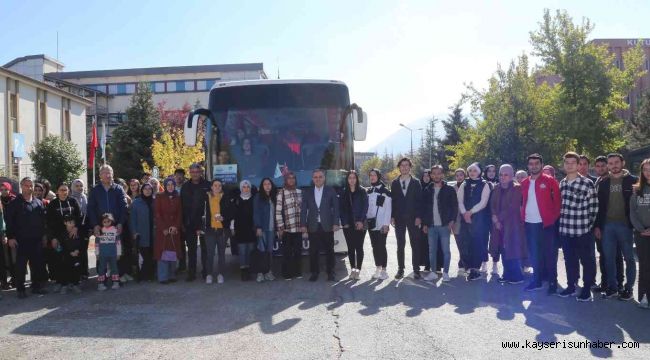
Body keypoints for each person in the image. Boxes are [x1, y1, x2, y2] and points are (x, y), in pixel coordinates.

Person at [593, 153, 638, 301]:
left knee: (629, 259)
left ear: (622, 163)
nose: (614, 165)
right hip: (607, 226)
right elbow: (599, 206)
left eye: (616, 162)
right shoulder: (604, 182)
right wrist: (598, 226)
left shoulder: (633, 181)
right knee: (609, 258)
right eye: (610, 163)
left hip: (626, 226)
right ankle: (613, 287)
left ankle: (628, 288)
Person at [557, 152, 598, 302]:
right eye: (566, 162)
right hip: (565, 230)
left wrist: (588, 226)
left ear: (578, 163)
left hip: (582, 230)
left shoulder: (587, 183)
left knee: (586, 261)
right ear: (564, 164)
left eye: (572, 162)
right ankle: (571, 285)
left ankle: (586, 288)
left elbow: (594, 208)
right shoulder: (561, 183)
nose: (569, 165)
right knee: (569, 260)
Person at [520, 154, 561, 294]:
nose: (534, 166)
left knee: (549, 255)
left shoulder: (550, 181)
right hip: (529, 224)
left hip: (546, 225)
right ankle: (536, 281)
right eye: (531, 163)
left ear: (541, 165)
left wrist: (551, 219)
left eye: (536, 163)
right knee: (534, 255)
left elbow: (557, 204)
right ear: (528, 166)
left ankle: (552, 282)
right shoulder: (524, 183)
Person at [5, 177, 48, 298]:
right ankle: (20, 289)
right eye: (26, 185)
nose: (29, 188)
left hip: (36, 240)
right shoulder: (14, 203)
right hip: (20, 241)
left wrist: (44, 236)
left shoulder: (38, 202)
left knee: (37, 264)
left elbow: (43, 221)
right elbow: (9, 222)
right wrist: (11, 237)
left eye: (30, 185)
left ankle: (36, 286)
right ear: (21, 186)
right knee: (20, 266)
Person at [489, 165, 527, 284]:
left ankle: (517, 276)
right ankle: (506, 274)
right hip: (498, 226)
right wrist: (495, 218)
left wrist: (498, 219)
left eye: (506, 174)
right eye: (501, 174)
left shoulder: (517, 188)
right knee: (502, 249)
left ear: (511, 176)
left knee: (512, 250)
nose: (503, 177)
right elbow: (492, 205)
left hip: (512, 225)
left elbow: (512, 207)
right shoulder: (496, 188)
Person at [592, 155, 625, 294]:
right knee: (603, 255)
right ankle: (605, 282)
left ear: (608, 167)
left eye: (603, 166)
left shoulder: (613, 180)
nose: (601, 168)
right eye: (598, 166)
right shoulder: (598, 181)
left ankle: (619, 283)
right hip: (601, 225)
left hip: (613, 224)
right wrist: (597, 226)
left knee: (616, 255)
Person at [301, 168, 340, 282]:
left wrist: (336, 223)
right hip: (313, 225)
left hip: (327, 225)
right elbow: (304, 210)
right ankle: (314, 272)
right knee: (313, 251)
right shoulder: (308, 192)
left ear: (324, 178)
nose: (318, 179)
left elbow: (336, 208)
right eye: (315, 177)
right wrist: (303, 224)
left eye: (320, 177)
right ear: (313, 179)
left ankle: (330, 272)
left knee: (329, 250)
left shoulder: (330, 190)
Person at [422, 165, 458, 282]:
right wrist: (425, 224)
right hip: (431, 226)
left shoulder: (450, 190)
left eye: (439, 173)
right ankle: (433, 272)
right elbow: (425, 209)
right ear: (431, 175)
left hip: (444, 226)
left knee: (446, 250)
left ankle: (446, 273)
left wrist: (452, 221)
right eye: (434, 173)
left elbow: (454, 207)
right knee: (432, 250)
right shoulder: (427, 190)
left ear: (442, 175)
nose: (436, 175)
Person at [390, 158, 423, 280]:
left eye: (407, 165)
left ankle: (416, 270)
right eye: (402, 165)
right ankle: (400, 269)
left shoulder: (416, 182)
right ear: (399, 167)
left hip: (413, 218)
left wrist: (419, 217)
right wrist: (392, 216)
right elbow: (393, 201)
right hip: (399, 218)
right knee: (400, 245)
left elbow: (420, 201)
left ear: (410, 167)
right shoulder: (394, 183)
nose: (404, 167)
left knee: (415, 244)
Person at [458, 163, 491, 281]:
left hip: (478, 218)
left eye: (475, 170)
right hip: (465, 218)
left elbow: (484, 202)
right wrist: (464, 213)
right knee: (465, 243)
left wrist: (470, 212)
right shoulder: (464, 184)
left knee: (477, 243)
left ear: (479, 172)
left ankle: (475, 270)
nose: (472, 172)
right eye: (470, 170)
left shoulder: (484, 184)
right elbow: (460, 201)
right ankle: (468, 267)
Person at [46, 183, 81, 293]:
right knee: (60, 260)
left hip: (72, 236)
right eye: (61, 190)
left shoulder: (73, 201)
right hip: (59, 237)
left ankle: (73, 283)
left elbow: (79, 217)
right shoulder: (53, 204)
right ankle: (61, 283)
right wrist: (53, 237)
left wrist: (76, 227)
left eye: (66, 190)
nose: (64, 192)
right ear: (57, 191)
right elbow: (49, 223)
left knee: (73, 260)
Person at [180, 163, 210, 281]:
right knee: (191, 249)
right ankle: (191, 273)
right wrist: (182, 222)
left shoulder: (207, 185)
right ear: (190, 173)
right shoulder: (185, 186)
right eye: (192, 172)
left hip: (204, 222)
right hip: (189, 222)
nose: (195, 174)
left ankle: (206, 271)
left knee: (205, 249)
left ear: (201, 172)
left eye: (197, 172)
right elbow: (181, 205)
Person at [87, 164, 128, 248]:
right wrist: (95, 225)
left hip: (116, 227)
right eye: (104, 173)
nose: (107, 175)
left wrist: (120, 223)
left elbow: (124, 207)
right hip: (100, 227)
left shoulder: (119, 189)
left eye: (109, 172)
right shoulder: (95, 190)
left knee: (116, 254)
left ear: (112, 174)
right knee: (102, 254)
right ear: (100, 175)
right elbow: (91, 208)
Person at [339, 171, 369, 280]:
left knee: (359, 247)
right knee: (350, 248)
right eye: (350, 178)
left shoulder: (362, 191)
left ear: (357, 179)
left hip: (359, 224)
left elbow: (365, 207)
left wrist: (360, 221)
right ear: (347, 180)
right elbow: (341, 209)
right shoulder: (343, 192)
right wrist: (344, 222)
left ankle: (358, 270)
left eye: (354, 178)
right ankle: (352, 269)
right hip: (348, 225)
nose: (352, 180)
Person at [630, 158, 650, 308]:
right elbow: (632, 212)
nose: (648, 173)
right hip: (641, 234)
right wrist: (641, 229)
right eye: (645, 170)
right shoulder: (637, 189)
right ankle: (644, 297)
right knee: (644, 266)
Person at [154, 179, 183, 284]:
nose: (170, 186)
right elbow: (157, 214)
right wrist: (163, 228)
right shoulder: (160, 196)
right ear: (165, 186)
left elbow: (180, 213)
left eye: (172, 185)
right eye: (168, 185)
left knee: (172, 252)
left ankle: (172, 275)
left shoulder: (178, 197)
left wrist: (176, 226)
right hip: (163, 230)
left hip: (174, 230)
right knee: (163, 253)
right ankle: (163, 277)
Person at [276, 172, 303, 280]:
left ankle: (297, 272)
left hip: (298, 228)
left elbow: (304, 210)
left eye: (293, 178)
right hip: (286, 229)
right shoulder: (281, 193)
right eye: (289, 178)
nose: (291, 180)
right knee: (287, 253)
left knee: (297, 252)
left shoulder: (300, 192)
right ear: (285, 180)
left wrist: (304, 226)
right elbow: (278, 211)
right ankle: (287, 274)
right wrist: (281, 227)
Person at [366, 169, 391, 280]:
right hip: (371, 224)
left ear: (378, 176)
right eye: (370, 175)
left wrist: (386, 224)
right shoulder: (369, 191)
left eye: (374, 175)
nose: (372, 177)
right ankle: (378, 268)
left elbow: (388, 209)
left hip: (381, 224)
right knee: (374, 246)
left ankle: (384, 270)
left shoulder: (385, 191)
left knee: (381, 246)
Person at [253, 177, 278, 282]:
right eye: (265, 184)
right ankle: (260, 273)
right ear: (262, 186)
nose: (267, 186)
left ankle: (268, 272)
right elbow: (256, 213)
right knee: (261, 251)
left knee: (269, 252)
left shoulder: (274, 197)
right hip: (262, 228)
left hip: (272, 229)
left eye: (269, 184)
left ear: (271, 186)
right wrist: (258, 227)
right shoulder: (258, 197)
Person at [204, 179, 228, 284]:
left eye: (219, 186)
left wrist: (224, 218)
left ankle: (220, 274)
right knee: (210, 254)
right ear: (211, 187)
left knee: (221, 254)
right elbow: (201, 212)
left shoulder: (225, 198)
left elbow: (230, 212)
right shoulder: (206, 198)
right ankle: (209, 274)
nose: (217, 187)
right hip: (210, 229)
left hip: (222, 229)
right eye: (215, 185)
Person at [232, 180, 256, 281]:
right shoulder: (236, 200)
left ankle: (250, 270)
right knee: (242, 251)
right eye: (244, 187)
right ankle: (243, 271)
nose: (246, 189)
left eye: (248, 187)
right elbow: (232, 215)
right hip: (240, 229)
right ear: (241, 188)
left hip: (252, 229)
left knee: (250, 250)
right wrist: (232, 227)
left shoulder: (254, 199)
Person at [130, 183, 155, 281]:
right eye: (145, 189)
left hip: (153, 232)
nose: (148, 190)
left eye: (150, 189)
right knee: (144, 255)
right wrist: (134, 231)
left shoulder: (155, 201)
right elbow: (132, 219)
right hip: (142, 233)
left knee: (152, 254)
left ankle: (151, 275)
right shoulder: (136, 203)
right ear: (142, 190)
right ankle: (142, 275)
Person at [70, 179, 90, 279]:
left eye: (81, 185)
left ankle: (84, 271)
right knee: (75, 250)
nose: (79, 188)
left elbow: (87, 213)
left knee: (84, 250)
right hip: (74, 228)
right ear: (73, 187)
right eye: (77, 186)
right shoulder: (70, 199)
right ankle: (76, 273)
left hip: (84, 228)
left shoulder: (85, 197)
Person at [96, 213, 122, 290]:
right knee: (102, 268)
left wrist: (118, 253)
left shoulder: (115, 230)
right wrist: (97, 253)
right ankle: (101, 284)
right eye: (104, 222)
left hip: (113, 253)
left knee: (114, 268)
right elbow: (97, 243)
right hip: (102, 254)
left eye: (108, 221)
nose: (107, 223)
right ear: (101, 222)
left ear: (111, 221)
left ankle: (116, 282)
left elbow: (118, 243)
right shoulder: (99, 231)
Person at [58, 215, 82, 294]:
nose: (72, 224)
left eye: (73, 223)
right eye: (70, 223)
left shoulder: (77, 232)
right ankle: (64, 285)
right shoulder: (62, 234)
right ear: (65, 223)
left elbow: (80, 243)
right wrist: (69, 252)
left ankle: (75, 284)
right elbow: (62, 246)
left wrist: (77, 250)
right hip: (66, 256)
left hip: (76, 254)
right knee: (65, 270)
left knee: (76, 269)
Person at [453, 168, 469, 276]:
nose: (459, 177)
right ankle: (462, 264)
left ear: (464, 176)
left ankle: (464, 265)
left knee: (466, 243)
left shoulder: (468, 186)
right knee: (459, 244)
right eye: (457, 175)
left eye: (461, 175)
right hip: (456, 220)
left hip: (467, 218)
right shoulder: (452, 188)